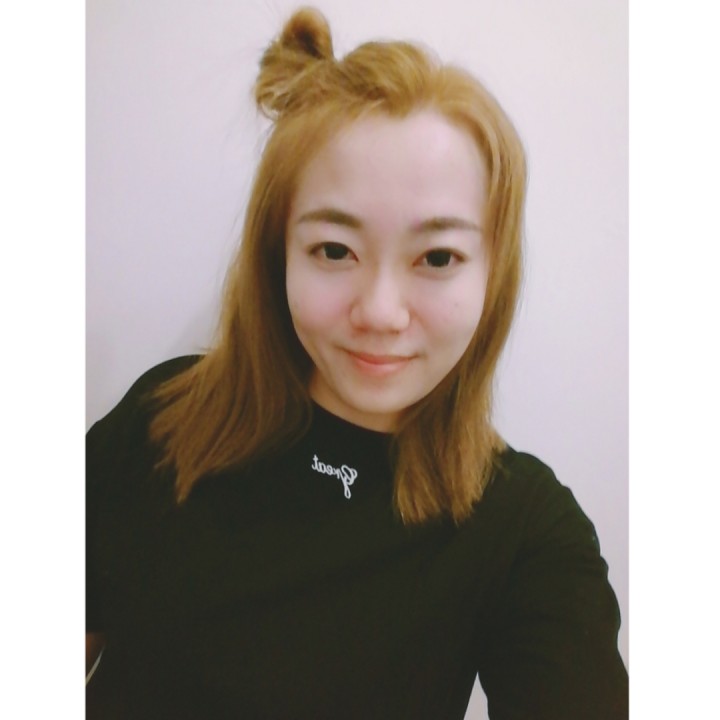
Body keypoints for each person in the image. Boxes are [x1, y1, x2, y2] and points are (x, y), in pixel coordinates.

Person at [86, 7, 628, 719]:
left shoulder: (527, 532)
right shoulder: (164, 419)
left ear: (492, 275)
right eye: (335, 250)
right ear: (279, 253)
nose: (379, 311)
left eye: (438, 257)